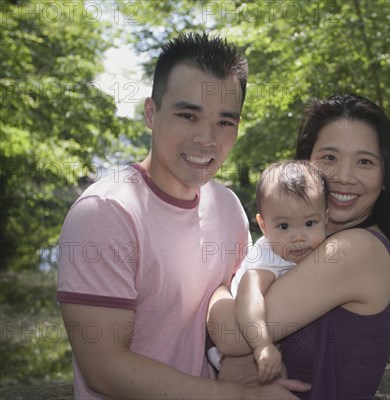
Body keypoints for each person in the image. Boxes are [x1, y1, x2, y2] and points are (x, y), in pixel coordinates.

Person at [56, 32, 309, 399]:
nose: (207, 139)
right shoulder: (106, 213)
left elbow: (230, 309)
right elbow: (105, 369)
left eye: (225, 122)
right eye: (188, 115)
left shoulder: (227, 206)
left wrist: (241, 360)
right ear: (150, 112)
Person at [208, 94, 390, 399]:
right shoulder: (314, 245)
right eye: (329, 158)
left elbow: (231, 336)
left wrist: (216, 286)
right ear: (304, 165)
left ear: (386, 175)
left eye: (365, 161)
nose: (343, 177)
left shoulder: (355, 250)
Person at [224, 160, 329, 383]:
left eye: (310, 223)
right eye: (284, 226)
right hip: (241, 347)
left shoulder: (323, 248)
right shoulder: (268, 257)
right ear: (263, 226)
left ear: (326, 218)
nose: (299, 237)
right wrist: (262, 345)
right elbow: (248, 298)